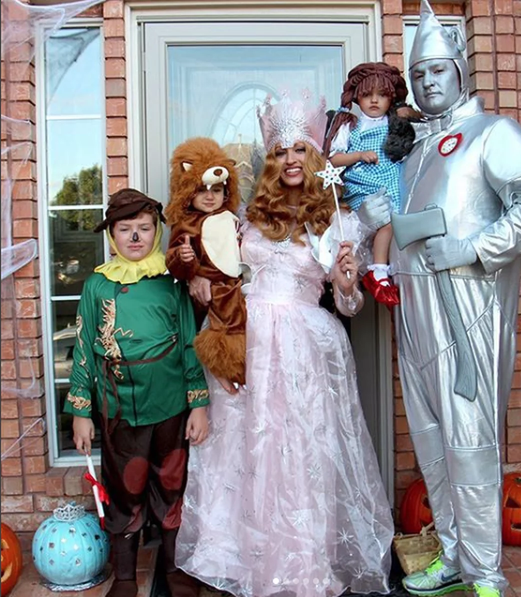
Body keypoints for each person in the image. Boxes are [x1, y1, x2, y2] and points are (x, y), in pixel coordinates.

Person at [175, 93, 395, 597]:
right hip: (247, 342)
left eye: (300, 150)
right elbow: (219, 272)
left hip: (303, 348)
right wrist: (196, 279)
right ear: (271, 161)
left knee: (299, 453)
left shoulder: (339, 222)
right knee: (246, 450)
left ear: (315, 158)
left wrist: (344, 282)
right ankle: (245, 558)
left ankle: (301, 565)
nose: (291, 160)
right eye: (280, 152)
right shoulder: (248, 217)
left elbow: (350, 307)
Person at [388, 2, 521, 597]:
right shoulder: (411, 156)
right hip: (414, 316)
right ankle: (456, 557)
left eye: (438, 70)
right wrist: (389, 265)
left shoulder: (494, 134)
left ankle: (487, 575)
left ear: (460, 70)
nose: (428, 82)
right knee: (433, 444)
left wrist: (470, 249)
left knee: (469, 441)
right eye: (419, 74)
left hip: (469, 313)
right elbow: (410, 232)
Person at [64, 188, 210, 597]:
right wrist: (81, 411)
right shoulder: (97, 284)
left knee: (170, 485)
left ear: (157, 231)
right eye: (125, 229)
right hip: (118, 408)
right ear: (111, 235)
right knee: (125, 490)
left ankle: (175, 569)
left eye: (144, 229)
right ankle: (126, 577)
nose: (134, 238)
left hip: (168, 405)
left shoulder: (172, 282)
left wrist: (197, 404)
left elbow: (188, 343)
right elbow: (83, 349)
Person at [324, 61, 417, 308]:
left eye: (382, 95)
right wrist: (358, 155)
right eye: (367, 95)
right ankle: (378, 271)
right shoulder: (351, 126)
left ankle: (386, 268)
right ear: (357, 97)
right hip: (363, 182)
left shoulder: (392, 123)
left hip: (390, 179)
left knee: (396, 217)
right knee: (385, 220)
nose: (374, 101)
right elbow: (333, 159)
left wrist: (409, 114)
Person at [165, 137, 246, 385]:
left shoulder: (230, 217)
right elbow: (174, 257)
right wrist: (185, 259)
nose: (210, 197)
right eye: (201, 190)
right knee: (222, 329)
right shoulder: (188, 223)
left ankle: (240, 369)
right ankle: (228, 369)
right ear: (188, 192)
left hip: (237, 287)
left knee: (242, 327)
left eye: (217, 190)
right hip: (213, 292)